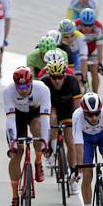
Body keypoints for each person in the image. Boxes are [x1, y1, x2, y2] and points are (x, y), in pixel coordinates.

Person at [4, 66, 51, 206]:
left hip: (34, 114)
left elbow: (45, 119)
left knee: (37, 128)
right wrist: (13, 144)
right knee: (18, 152)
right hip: (17, 117)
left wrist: (45, 141)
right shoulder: (8, 91)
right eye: (20, 87)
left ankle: (38, 162)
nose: (23, 90)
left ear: (31, 82)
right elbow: (10, 120)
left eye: (26, 86)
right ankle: (15, 198)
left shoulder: (42, 89)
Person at [40, 53, 82, 194]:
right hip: (52, 107)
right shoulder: (44, 82)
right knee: (50, 118)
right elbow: (41, 109)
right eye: (54, 77)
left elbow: (77, 109)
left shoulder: (72, 82)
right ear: (49, 76)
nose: (57, 81)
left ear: (65, 75)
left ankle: (72, 174)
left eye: (59, 77)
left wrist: (76, 126)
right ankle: (52, 147)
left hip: (68, 109)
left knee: (70, 142)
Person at [74, 8, 103, 93]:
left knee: (94, 70)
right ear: (81, 23)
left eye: (90, 25)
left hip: (92, 49)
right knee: (78, 72)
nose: (87, 28)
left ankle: (95, 94)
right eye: (84, 25)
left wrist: (100, 62)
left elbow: (100, 47)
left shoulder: (98, 27)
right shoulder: (75, 25)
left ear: (94, 23)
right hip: (79, 49)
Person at [58, 19, 88, 90]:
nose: (70, 39)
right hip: (64, 57)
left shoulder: (81, 37)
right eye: (66, 37)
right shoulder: (57, 38)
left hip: (76, 57)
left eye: (72, 35)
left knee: (78, 79)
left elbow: (83, 60)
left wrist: (83, 77)